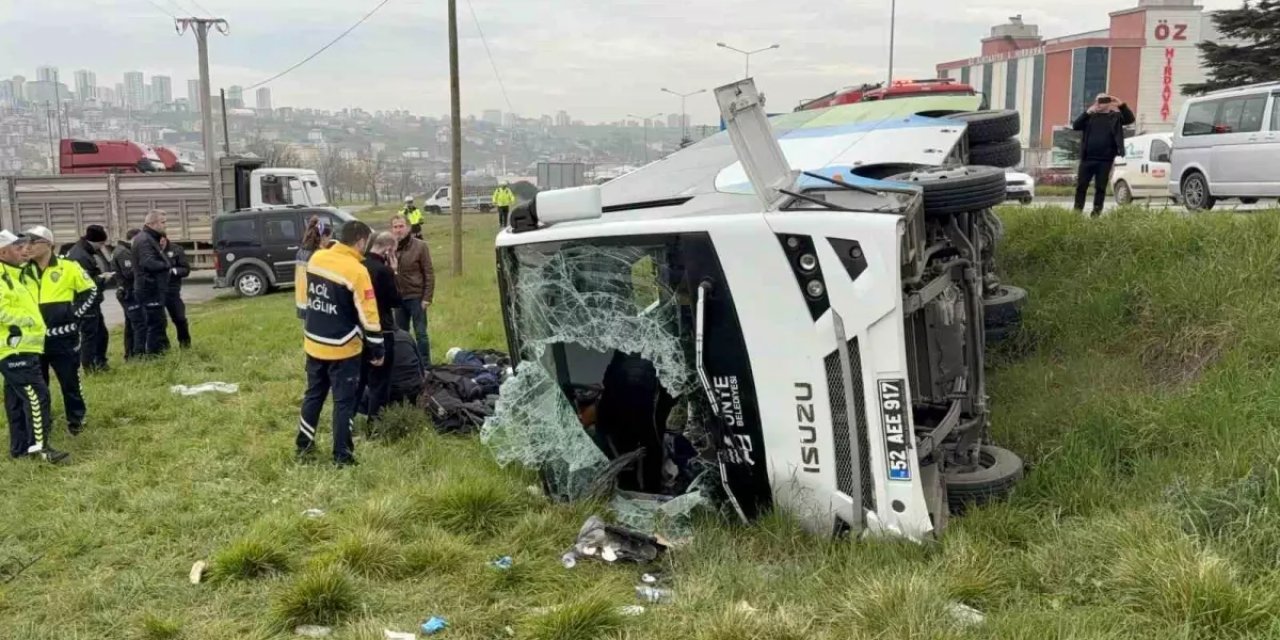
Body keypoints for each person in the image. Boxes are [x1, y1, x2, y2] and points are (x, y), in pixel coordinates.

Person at [295, 220, 384, 466]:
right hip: (343, 348)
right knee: (344, 403)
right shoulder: (357, 270)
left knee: (313, 395)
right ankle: (342, 456)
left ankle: (304, 445)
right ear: (361, 241)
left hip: (313, 342)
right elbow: (370, 315)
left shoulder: (317, 259)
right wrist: (377, 349)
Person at [21, 226, 97, 439]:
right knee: (38, 385)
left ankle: (77, 420)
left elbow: (90, 290)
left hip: (63, 337)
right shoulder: (23, 272)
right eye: (27, 242)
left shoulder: (68, 267)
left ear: (49, 245)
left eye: (34, 242)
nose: (28, 247)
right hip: (33, 339)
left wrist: (75, 314)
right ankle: (43, 424)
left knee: (70, 381)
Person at [0, 231, 65, 464]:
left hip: (24, 347)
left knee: (16, 399)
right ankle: (41, 448)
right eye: (17, 248)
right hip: (14, 348)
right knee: (37, 396)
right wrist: (26, 321)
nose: (23, 251)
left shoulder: (16, 273)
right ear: (3, 252)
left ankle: (20, 448)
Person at [357, 231, 402, 422]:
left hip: (358, 330)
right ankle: (375, 423)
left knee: (360, 380)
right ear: (389, 249)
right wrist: (394, 271)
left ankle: (350, 418)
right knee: (380, 381)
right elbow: (396, 300)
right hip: (382, 329)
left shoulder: (358, 265)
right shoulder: (384, 271)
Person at [1072, 93, 1135, 217]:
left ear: (1109, 103)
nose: (1100, 103)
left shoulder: (1115, 117)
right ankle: (1076, 212)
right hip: (1087, 159)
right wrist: (1088, 112)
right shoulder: (1090, 117)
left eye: (1103, 101)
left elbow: (1130, 119)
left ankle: (1096, 213)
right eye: (1098, 101)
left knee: (1100, 188)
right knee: (1081, 186)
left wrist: (1121, 105)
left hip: (1105, 160)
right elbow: (1076, 126)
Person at [65, 225, 112, 372]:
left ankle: (99, 362)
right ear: (94, 241)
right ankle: (89, 368)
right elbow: (83, 282)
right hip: (84, 301)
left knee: (101, 334)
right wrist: (102, 279)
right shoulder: (80, 256)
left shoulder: (85, 250)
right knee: (90, 336)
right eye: (101, 244)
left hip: (91, 301)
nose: (102, 247)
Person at [389, 214, 434, 363]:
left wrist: (427, 298)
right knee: (401, 335)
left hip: (416, 297)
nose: (398, 230)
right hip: (398, 299)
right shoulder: (389, 248)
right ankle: (407, 363)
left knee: (421, 334)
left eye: (401, 226)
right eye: (395, 227)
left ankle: (426, 364)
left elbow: (428, 272)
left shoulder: (420, 246)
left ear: (408, 228)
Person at [132, 210, 172, 356]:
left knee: (160, 322)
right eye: (163, 222)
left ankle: (161, 351)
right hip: (149, 288)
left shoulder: (152, 238)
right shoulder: (144, 240)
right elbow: (148, 262)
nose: (165, 225)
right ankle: (154, 355)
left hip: (154, 288)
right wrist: (166, 265)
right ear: (152, 224)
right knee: (154, 324)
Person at [112, 229, 146, 359]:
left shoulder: (123, 250)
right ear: (134, 238)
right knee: (139, 324)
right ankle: (139, 355)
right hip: (129, 293)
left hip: (127, 292)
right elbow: (129, 273)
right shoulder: (123, 252)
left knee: (131, 324)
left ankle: (130, 354)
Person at [294, 216, 332, 320]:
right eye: (329, 238)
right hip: (316, 303)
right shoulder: (320, 254)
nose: (329, 241)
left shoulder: (301, 251)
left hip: (301, 300)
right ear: (323, 236)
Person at [160, 236, 191, 348]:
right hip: (157, 291)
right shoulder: (150, 249)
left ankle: (185, 345)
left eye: (162, 241)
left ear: (165, 239)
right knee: (160, 322)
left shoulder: (176, 249)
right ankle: (163, 347)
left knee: (180, 318)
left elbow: (186, 269)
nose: (160, 243)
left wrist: (174, 271)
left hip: (172, 290)